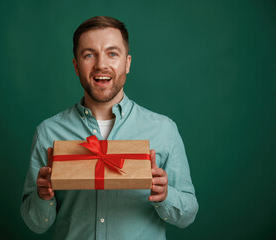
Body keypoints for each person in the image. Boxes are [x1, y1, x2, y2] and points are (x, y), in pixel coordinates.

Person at [20, 16, 198, 239]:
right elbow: (35, 224)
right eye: (89, 55)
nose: (101, 64)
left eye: (112, 53)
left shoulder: (163, 130)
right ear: (76, 65)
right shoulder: (48, 132)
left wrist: (165, 196)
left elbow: (188, 214)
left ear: (127, 63)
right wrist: (42, 197)